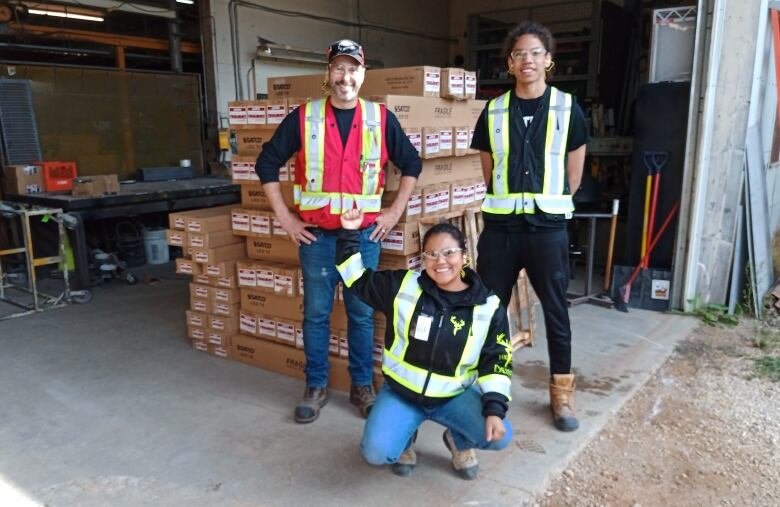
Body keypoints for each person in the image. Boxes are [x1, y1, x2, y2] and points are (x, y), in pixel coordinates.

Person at [256, 39, 421, 424]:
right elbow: (267, 164)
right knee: (316, 314)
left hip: (363, 238)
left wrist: (394, 212)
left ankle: (362, 386)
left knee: (361, 314)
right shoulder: (305, 117)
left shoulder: (381, 119)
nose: (346, 76)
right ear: (328, 75)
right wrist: (286, 217)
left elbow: (412, 163)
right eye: (339, 68)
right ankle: (315, 387)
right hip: (316, 237)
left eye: (353, 68)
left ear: (363, 75)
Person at [470, 21, 588, 432]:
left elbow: (574, 175)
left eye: (536, 53)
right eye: (520, 54)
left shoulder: (567, 107)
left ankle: (561, 395)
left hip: (547, 231)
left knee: (556, 311)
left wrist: (547, 204)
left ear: (548, 60)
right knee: (486, 312)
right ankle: (486, 390)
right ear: (509, 63)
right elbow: (488, 170)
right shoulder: (494, 110)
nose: (528, 60)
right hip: (501, 232)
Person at [336, 209, 513, 479]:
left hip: (453, 397)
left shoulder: (489, 307)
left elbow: (497, 363)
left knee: (499, 436)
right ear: (423, 260)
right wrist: (349, 232)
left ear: (464, 256)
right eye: (430, 254)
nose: (439, 261)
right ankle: (405, 437)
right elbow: (356, 279)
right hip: (402, 393)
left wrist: (495, 410)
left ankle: (459, 440)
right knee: (376, 452)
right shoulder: (403, 287)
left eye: (448, 253)